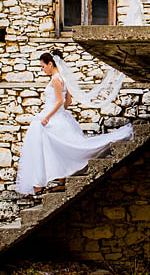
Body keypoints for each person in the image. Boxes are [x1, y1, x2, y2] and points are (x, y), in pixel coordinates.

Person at [14, 50, 134, 195]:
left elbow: (59, 102)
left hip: (52, 117)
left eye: (43, 66)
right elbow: (68, 101)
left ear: (50, 64)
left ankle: (39, 184)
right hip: (60, 117)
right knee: (57, 149)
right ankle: (60, 182)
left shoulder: (55, 79)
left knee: (44, 145)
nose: (43, 69)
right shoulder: (63, 78)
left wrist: (48, 117)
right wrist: (60, 113)